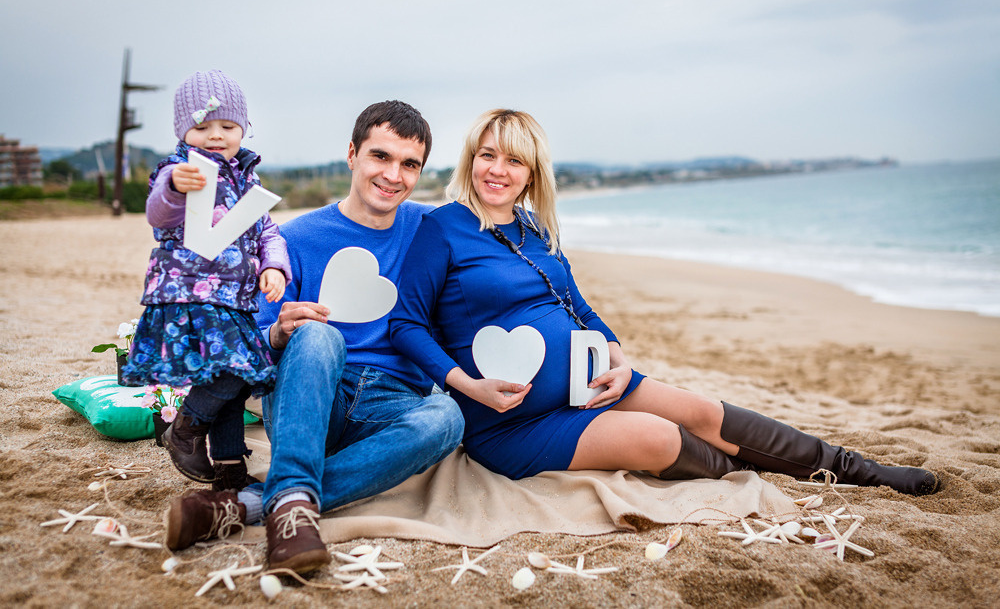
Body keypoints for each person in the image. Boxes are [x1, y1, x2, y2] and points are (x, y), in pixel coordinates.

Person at [388, 108, 940, 496]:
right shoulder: (442, 229)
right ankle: (754, 474)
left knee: (703, 411)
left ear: (531, 174)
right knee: (657, 437)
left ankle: (861, 472)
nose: (497, 170)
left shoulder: (533, 227)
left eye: (513, 160)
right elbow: (406, 325)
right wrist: (468, 385)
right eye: (488, 155)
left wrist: (617, 352)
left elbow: (578, 306)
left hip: (590, 386)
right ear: (471, 159)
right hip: (511, 425)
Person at [163, 100, 464, 575]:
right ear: (352, 154)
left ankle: (259, 504)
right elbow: (246, 341)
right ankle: (291, 505)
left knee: (447, 417)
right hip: (310, 391)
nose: (393, 175)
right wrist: (280, 332)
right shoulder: (294, 238)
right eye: (380, 156)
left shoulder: (432, 229)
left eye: (409, 164)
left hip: (390, 402)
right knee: (322, 337)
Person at [123, 70, 290, 490]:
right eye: (202, 126)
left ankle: (229, 468)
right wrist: (174, 189)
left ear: (243, 129)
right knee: (236, 369)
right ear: (183, 129)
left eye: (228, 127)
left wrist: (273, 266)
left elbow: (267, 231)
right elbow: (158, 215)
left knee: (229, 384)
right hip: (190, 294)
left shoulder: (247, 180)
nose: (216, 136)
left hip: (235, 298)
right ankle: (185, 429)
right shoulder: (178, 170)